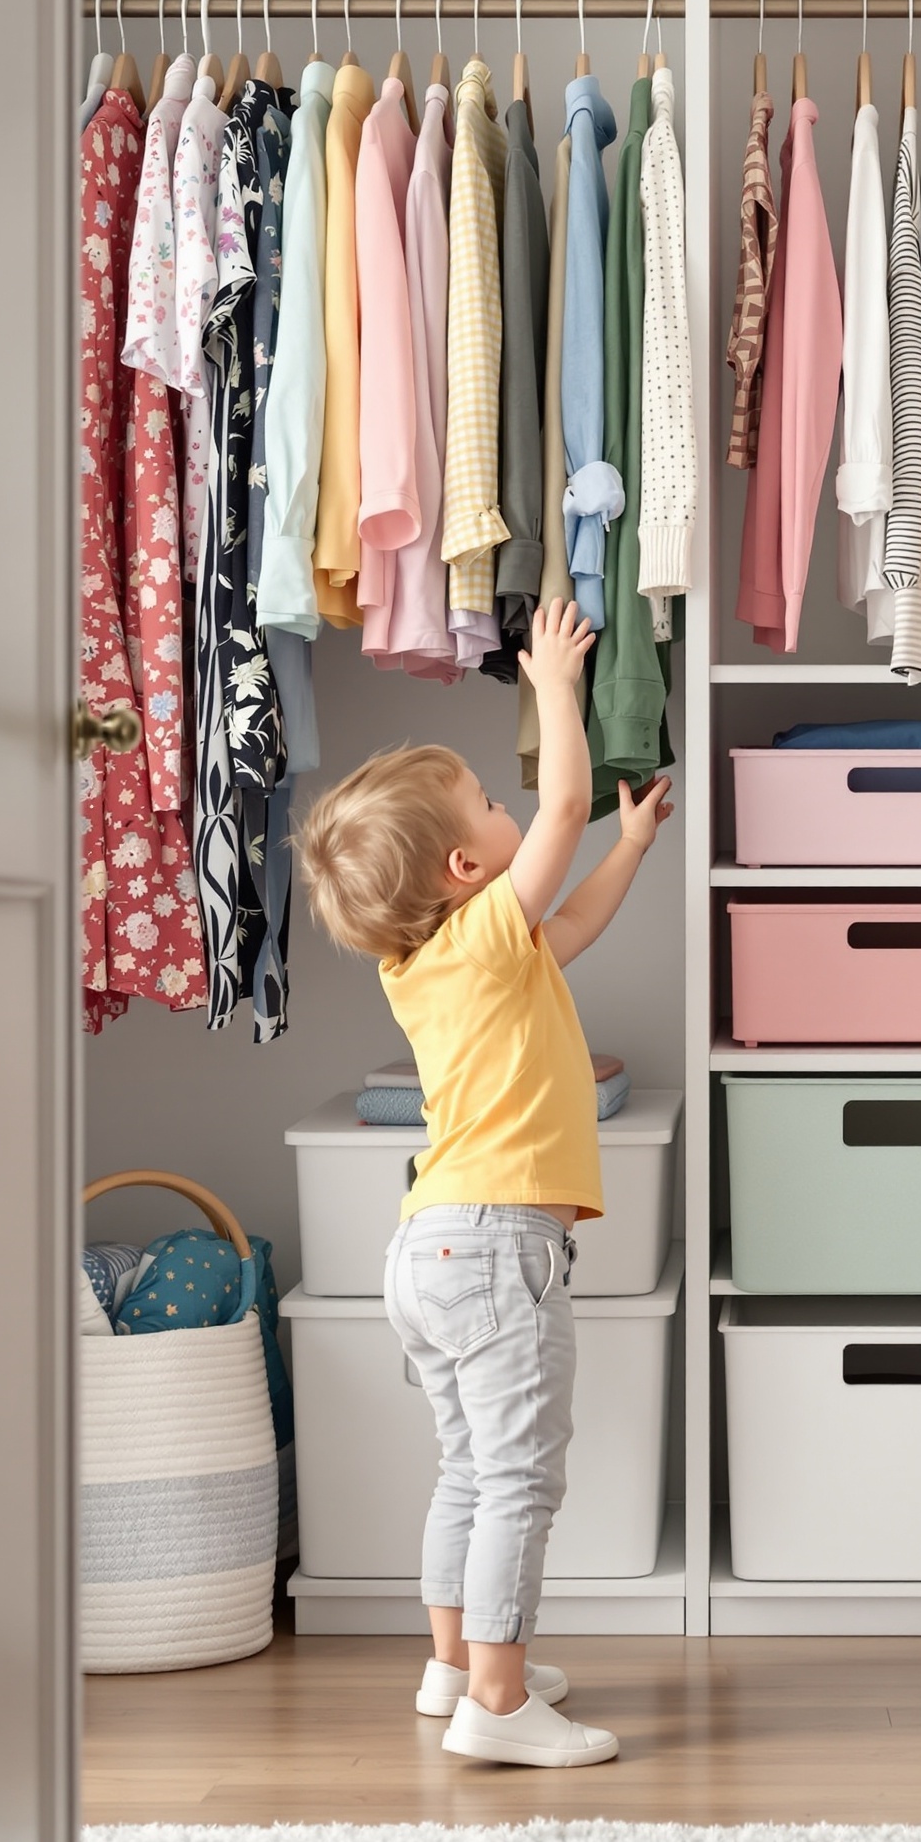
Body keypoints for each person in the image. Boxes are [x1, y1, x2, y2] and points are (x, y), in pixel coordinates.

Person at [296, 597, 673, 1769]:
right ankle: (500, 1705)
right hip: (495, 1244)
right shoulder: (476, 937)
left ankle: (455, 1660)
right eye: (488, 811)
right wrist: (555, 680)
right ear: (466, 867)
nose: (515, 812)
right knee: (519, 1476)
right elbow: (560, 801)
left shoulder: (442, 962)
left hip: (429, 1246)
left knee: (467, 1463)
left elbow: (571, 928)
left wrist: (632, 849)